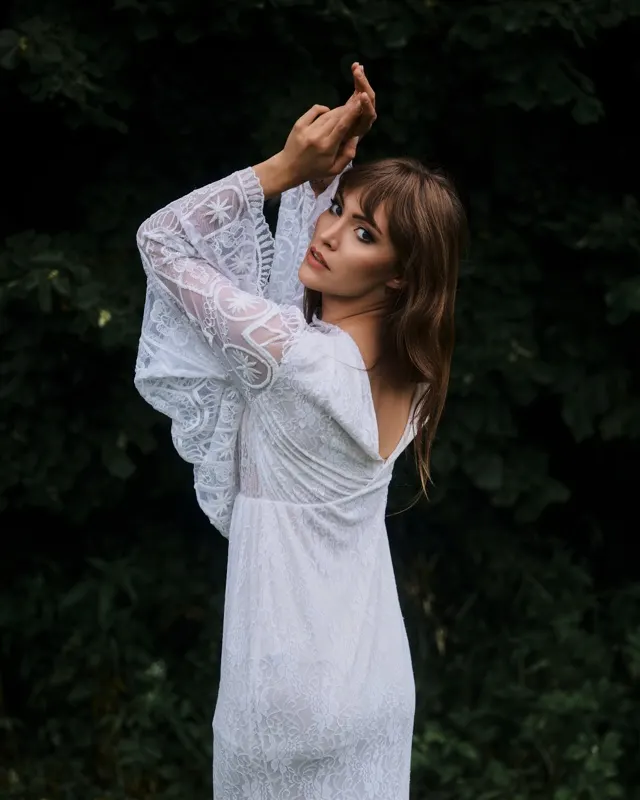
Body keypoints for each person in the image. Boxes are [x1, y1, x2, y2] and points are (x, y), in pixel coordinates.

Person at [135, 62, 466, 799]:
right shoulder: (413, 377)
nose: (327, 233)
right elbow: (300, 293)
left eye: (363, 233)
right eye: (337, 209)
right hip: (374, 680)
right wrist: (331, 174)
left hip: (281, 690)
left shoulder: (291, 358)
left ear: (400, 276)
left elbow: (160, 240)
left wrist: (285, 168)